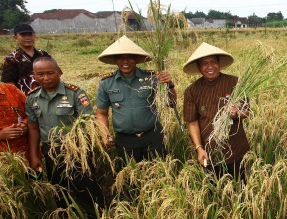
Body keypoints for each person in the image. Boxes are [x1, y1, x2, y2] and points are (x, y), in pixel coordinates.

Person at [26, 57, 103, 218]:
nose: (45, 78)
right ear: (34, 75)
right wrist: (34, 155)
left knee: (85, 184)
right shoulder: (32, 98)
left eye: (50, 73)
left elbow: (87, 121)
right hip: (51, 150)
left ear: (59, 72)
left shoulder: (75, 93)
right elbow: (33, 127)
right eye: (40, 74)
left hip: (76, 147)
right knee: (59, 187)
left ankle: (96, 217)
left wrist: (78, 144)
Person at [95, 35, 176, 166]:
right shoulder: (107, 83)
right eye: (120, 57)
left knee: (159, 175)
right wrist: (105, 134)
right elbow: (101, 113)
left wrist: (170, 85)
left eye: (130, 57)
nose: (125, 61)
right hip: (125, 140)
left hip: (152, 137)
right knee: (129, 180)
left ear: (137, 59)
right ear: (115, 60)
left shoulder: (152, 78)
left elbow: (171, 104)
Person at [182, 42, 250, 180]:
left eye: (213, 62)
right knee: (214, 193)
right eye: (205, 64)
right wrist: (199, 148)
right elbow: (192, 122)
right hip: (209, 152)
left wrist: (236, 113)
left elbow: (247, 111)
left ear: (219, 63)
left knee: (241, 189)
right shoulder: (192, 91)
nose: (210, 67)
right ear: (199, 68)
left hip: (236, 150)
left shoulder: (235, 83)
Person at [1, 23, 51, 94]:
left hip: (48, 94)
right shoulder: (12, 59)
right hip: (25, 98)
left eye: (30, 34)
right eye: (23, 35)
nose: (28, 38)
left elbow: (54, 74)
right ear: (15, 38)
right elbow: (9, 83)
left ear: (34, 36)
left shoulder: (44, 55)